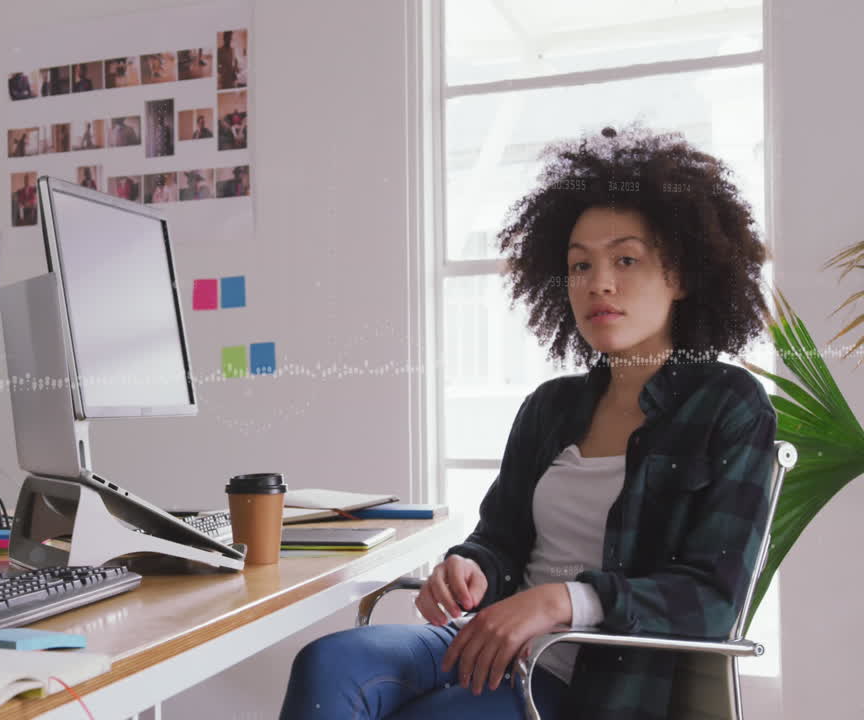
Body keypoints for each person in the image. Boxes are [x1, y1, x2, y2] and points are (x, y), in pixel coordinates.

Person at [279, 126, 775, 720]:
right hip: (494, 643)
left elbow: (712, 599)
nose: (599, 283)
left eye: (626, 259)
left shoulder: (728, 405)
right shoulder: (552, 407)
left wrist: (561, 602)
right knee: (330, 663)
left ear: (682, 275)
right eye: (579, 265)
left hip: (594, 682)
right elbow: (502, 537)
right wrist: (470, 567)